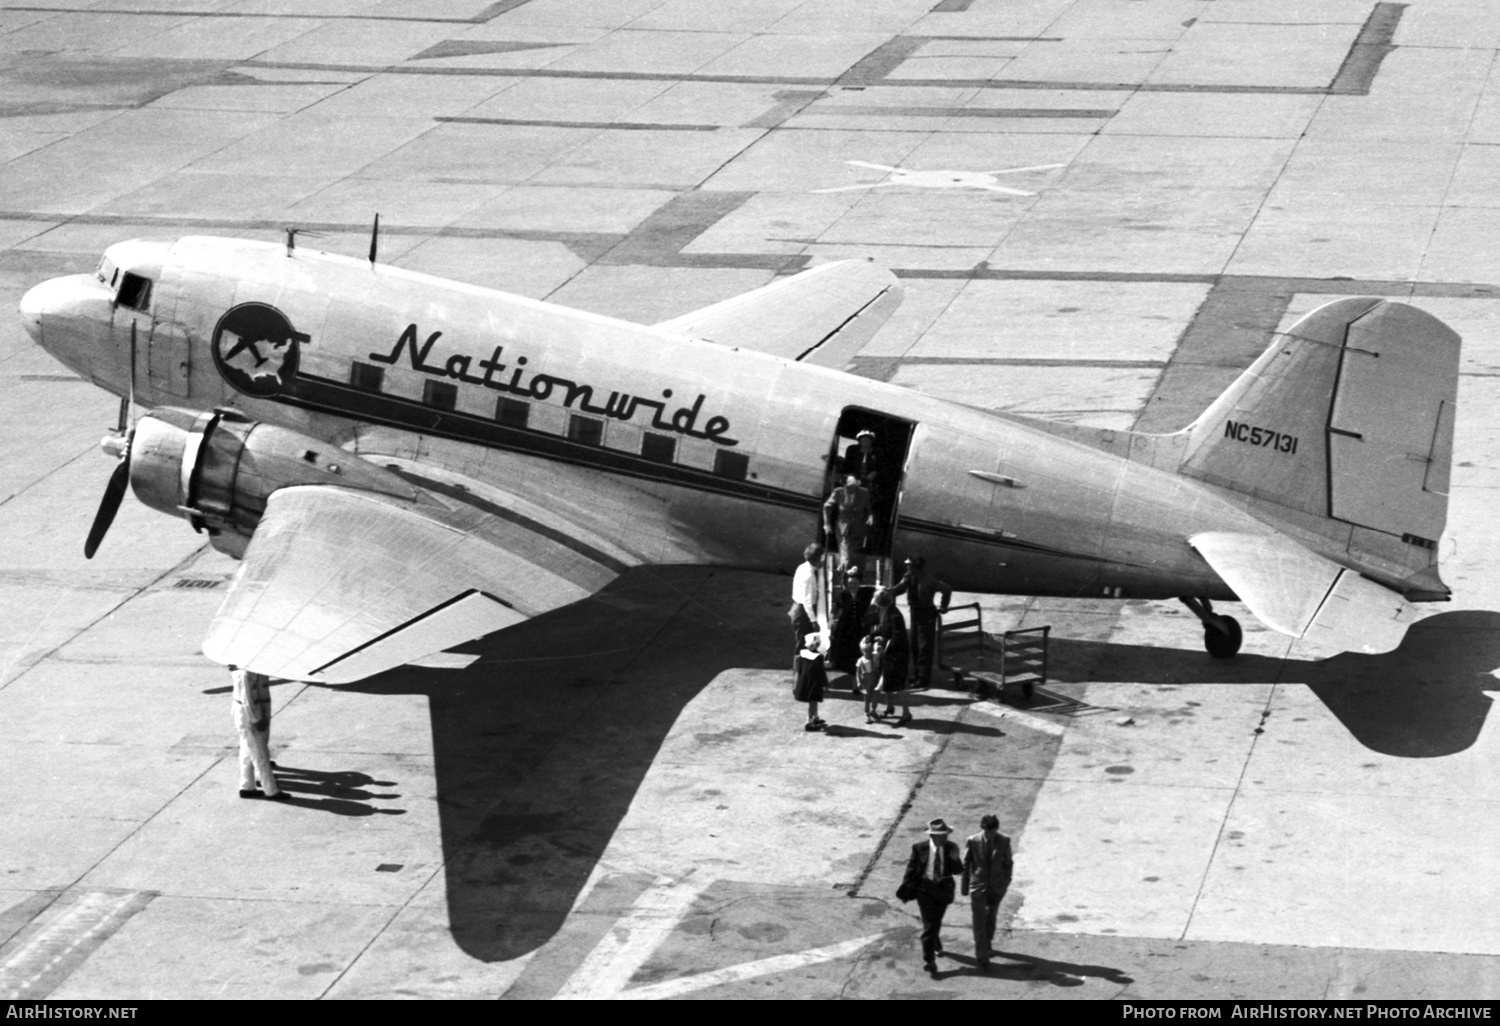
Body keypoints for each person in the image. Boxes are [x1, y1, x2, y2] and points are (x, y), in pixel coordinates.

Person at [900, 818, 963, 975]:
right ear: (932, 836)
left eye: (946, 834)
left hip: (943, 890)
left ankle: (936, 944)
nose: (944, 838)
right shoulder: (919, 848)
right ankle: (929, 961)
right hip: (925, 891)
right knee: (930, 926)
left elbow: (957, 871)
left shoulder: (951, 847)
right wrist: (906, 888)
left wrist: (955, 859)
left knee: (935, 922)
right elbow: (911, 869)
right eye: (941, 835)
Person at [891, 555, 951, 689]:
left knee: (925, 648)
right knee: (914, 645)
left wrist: (943, 606)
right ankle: (917, 675)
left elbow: (946, 589)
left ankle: (924, 679)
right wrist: (888, 593)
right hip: (915, 612)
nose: (907, 567)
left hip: (927, 614)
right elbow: (900, 588)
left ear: (916, 567)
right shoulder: (909, 576)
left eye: (909, 565)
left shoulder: (929, 580)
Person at [961, 814, 1013, 968]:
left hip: (997, 886)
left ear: (996, 829)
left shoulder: (1004, 841)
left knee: (991, 917)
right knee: (979, 921)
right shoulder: (973, 841)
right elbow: (967, 864)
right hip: (978, 886)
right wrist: (965, 886)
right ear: (982, 829)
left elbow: (1008, 863)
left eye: (992, 832)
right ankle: (982, 955)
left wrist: (1006, 881)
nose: (989, 835)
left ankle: (987, 943)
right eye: (986, 832)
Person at [230, 665, 285, 800]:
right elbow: (247, 699)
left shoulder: (254, 668)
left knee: (247, 752)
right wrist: (256, 719)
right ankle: (271, 791)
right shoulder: (247, 673)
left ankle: (247, 786)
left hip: (253, 713)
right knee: (260, 754)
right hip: (250, 716)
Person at [865, 590, 911, 724]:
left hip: (897, 655)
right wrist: (872, 635)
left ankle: (906, 714)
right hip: (889, 654)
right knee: (887, 684)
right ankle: (890, 707)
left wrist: (883, 646)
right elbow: (882, 628)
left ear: (881, 603)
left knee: (899, 685)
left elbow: (897, 637)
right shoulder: (886, 612)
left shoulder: (894, 615)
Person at [822, 474, 871, 576]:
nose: (853, 488)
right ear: (845, 486)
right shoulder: (838, 492)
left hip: (858, 528)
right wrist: (827, 523)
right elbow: (827, 507)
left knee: (851, 553)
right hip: (843, 527)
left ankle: (845, 570)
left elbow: (868, 507)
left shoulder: (864, 492)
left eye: (855, 485)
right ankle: (845, 574)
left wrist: (871, 516)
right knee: (846, 551)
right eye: (850, 486)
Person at [789, 542, 827, 663]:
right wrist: (814, 621)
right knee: (803, 645)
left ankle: (802, 672)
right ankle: (799, 674)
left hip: (798, 609)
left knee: (804, 644)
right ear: (818, 558)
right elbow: (807, 603)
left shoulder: (802, 567)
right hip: (803, 613)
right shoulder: (808, 576)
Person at [829, 565, 869, 675]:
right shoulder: (844, 594)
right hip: (846, 625)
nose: (853, 586)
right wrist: (831, 620)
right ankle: (848, 668)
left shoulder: (865, 593)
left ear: (860, 583)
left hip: (860, 625)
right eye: (850, 583)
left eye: (855, 583)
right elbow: (834, 609)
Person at [793, 632, 829, 732]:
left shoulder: (803, 654)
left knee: (813, 701)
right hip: (814, 683)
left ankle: (815, 717)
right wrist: (825, 684)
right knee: (813, 702)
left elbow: (799, 669)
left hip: (805, 682)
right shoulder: (818, 657)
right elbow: (821, 672)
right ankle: (809, 721)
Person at [856, 635, 883, 723]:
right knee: (867, 699)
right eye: (866, 651)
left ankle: (873, 710)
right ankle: (867, 714)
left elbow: (879, 651)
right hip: (866, 681)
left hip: (874, 679)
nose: (868, 653)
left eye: (869, 651)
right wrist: (858, 682)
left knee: (876, 695)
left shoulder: (874, 656)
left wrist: (878, 642)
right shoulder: (861, 660)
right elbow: (857, 672)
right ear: (862, 651)